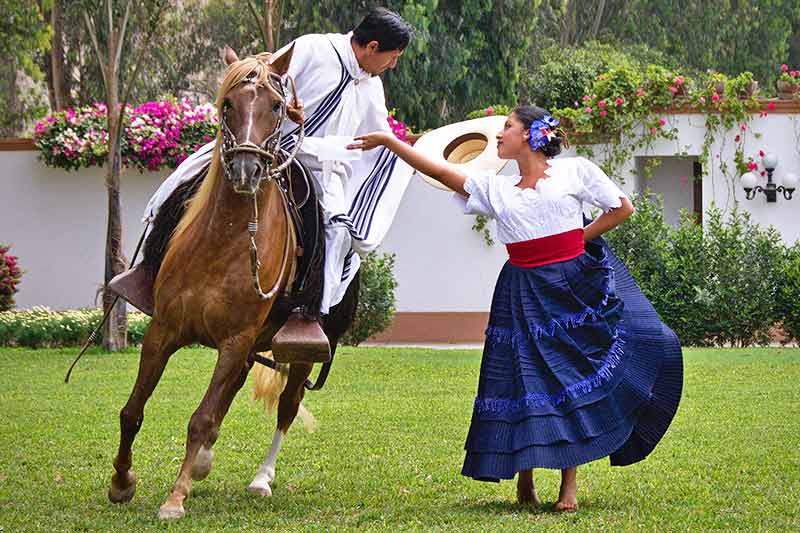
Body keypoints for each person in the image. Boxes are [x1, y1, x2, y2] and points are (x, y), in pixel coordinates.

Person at [349, 105, 683, 511]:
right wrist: (390, 141)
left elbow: (621, 207)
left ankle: (568, 489)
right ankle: (525, 480)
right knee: (521, 377)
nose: (498, 134)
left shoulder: (575, 170)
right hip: (521, 288)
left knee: (568, 376)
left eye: (507, 127)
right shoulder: (496, 188)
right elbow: (439, 172)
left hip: (571, 287)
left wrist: (578, 239)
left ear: (529, 134)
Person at [124, 8, 415, 358]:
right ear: (371, 46)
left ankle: (307, 315)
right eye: (392, 57)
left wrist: (403, 157)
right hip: (265, 145)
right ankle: (148, 270)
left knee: (338, 229)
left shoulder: (371, 87)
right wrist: (288, 106)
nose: (392, 65)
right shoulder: (314, 48)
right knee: (181, 182)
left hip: (321, 164)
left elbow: (379, 133)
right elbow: (258, 76)